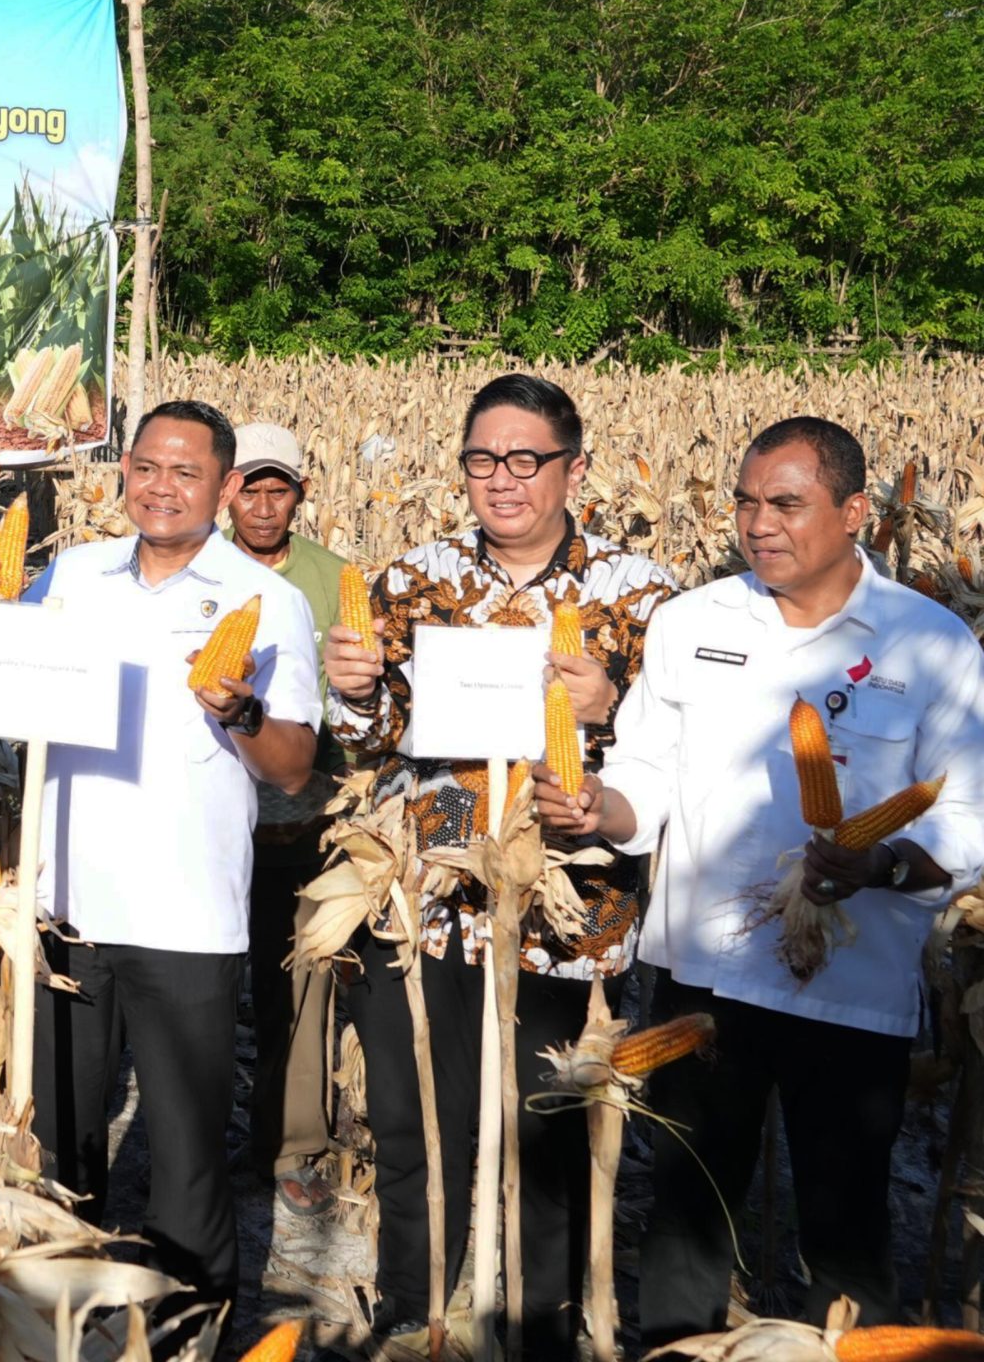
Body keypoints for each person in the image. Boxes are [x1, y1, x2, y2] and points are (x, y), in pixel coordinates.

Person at [538, 417, 984, 1342]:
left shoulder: (931, 644)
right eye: (745, 502)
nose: (757, 523)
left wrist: (881, 861)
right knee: (686, 1220)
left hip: (850, 989)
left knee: (847, 1235)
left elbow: (967, 817)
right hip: (701, 980)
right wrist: (597, 810)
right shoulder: (692, 623)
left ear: (855, 513)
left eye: (786, 503)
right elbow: (645, 778)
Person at [322, 374, 678, 1356]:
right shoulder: (408, 581)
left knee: (546, 1141)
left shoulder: (645, 598)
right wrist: (355, 694)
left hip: (568, 916)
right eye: (483, 459)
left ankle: (539, 1330)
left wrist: (612, 706)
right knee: (414, 1133)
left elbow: (674, 757)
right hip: (425, 905)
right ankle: (417, 1320)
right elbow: (365, 747)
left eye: (526, 459)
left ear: (575, 469)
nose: (502, 479)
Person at [0, 401, 319, 1305]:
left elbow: (292, 767)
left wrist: (241, 712)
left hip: (187, 916)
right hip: (64, 907)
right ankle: (54, 1314)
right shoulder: (74, 574)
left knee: (188, 1156)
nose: (163, 488)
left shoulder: (270, 601)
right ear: (122, 470)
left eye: (187, 472)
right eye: (147, 467)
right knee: (57, 1142)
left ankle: (186, 1325)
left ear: (225, 487)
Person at [222, 421, 354, 1214]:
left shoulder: (334, 581)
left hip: (305, 821)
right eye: (251, 491)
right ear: (226, 492)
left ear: (302, 495)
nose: (264, 508)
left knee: (300, 991)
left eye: (280, 491)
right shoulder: (198, 568)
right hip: (213, 824)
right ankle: (196, 1143)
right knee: (202, 994)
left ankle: (292, 1146)